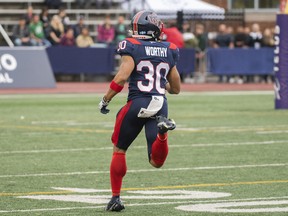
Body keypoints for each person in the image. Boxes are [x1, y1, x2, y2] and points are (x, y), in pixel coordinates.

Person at [99, 10, 181, 212]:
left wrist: (105, 99)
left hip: (137, 102)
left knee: (119, 149)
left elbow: (121, 77)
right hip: (160, 103)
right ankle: (162, 134)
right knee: (156, 161)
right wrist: (162, 86)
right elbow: (176, 88)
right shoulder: (168, 48)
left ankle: (116, 198)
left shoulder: (132, 46)